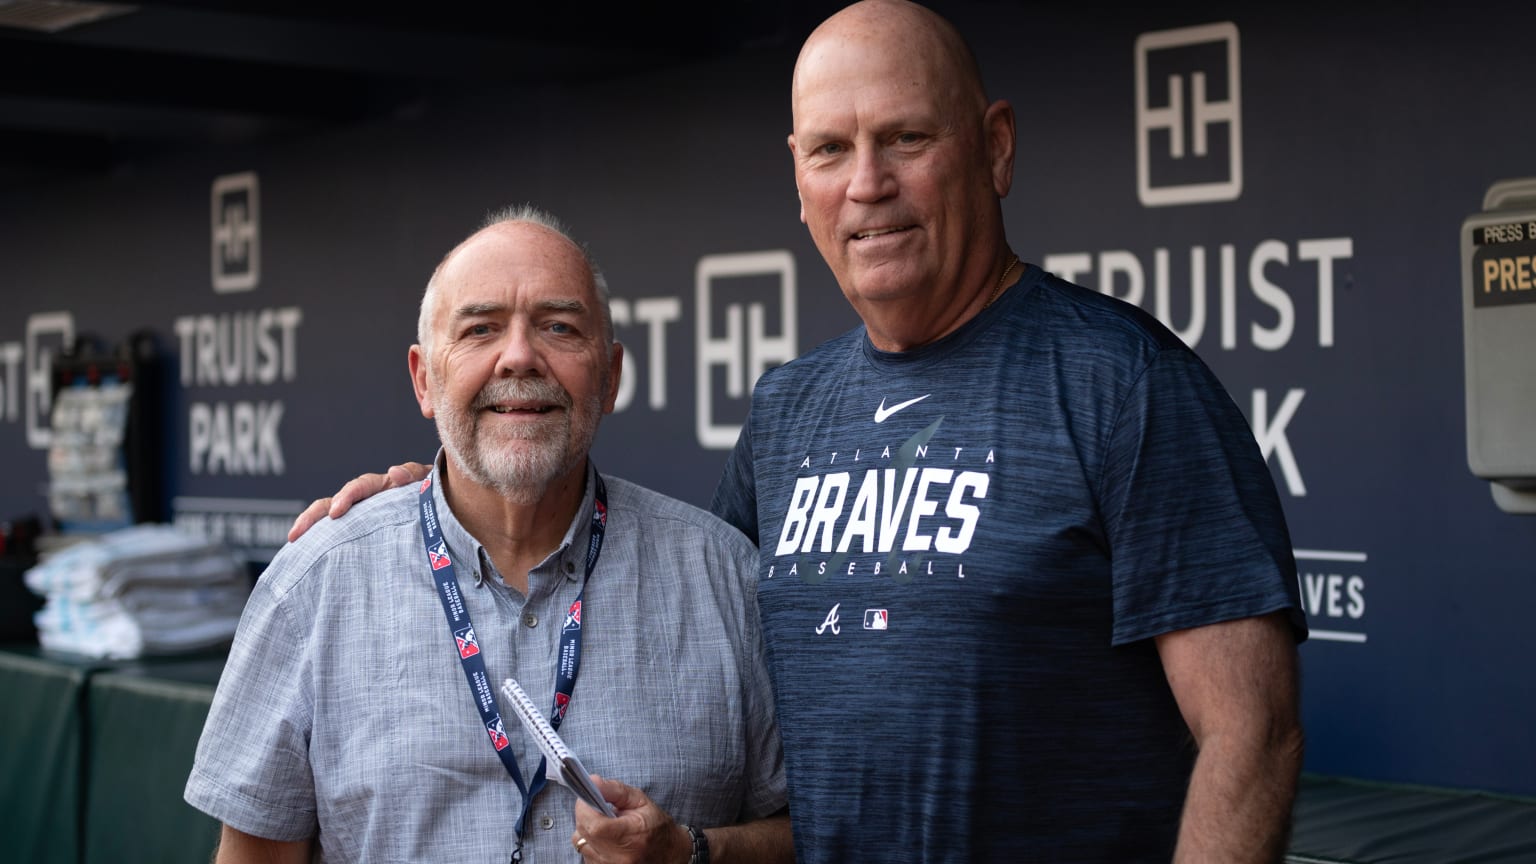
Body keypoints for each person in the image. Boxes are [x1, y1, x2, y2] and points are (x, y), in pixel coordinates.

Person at [291, 2, 1308, 861]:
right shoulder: (789, 411)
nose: (868, 183)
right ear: (799, 177)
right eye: (832, 149)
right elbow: (668, 616)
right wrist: (441, 499)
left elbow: (1251, 736)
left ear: (994, 147)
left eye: (907, 138)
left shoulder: (1123, 382)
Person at [189, 206, 791, 864]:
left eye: (559, 327)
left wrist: (692, 853)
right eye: (480, 329)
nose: (519, 356)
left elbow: (817, 835)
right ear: (424, 378)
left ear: (611, 374)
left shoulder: (725, 578)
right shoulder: (313, 587)